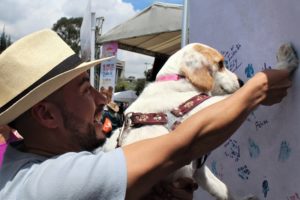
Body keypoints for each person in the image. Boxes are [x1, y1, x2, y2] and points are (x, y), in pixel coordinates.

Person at [0, 29, 295, 200]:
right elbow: (182, 146)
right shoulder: (47, 184)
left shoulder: (20, 167)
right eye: (83, 90)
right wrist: (256, 90)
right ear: (46, 115)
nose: (100, 99)